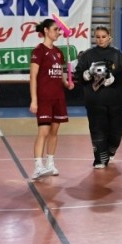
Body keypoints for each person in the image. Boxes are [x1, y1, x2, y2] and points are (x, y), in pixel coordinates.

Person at [75, 26, 122, 169]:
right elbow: (78, 75)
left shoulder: (118, 55)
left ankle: (111, 149)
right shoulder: (87, 55)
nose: (100, 39)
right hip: (94, 100)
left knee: (119, 126)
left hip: (114, 100)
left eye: (103, 36)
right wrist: (84, 75)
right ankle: (100, 158)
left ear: (109, 37)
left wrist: (114, 80)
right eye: (97, 37)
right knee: (97, 128)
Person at [30, 18, 73, 179]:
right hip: (44, 98)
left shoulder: (59, 52)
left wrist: (67, 83)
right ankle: (38, 167)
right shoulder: (38, 51)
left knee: (54, 131)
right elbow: (33, 77)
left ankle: (50, 163)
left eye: (59, 30)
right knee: (44, 131)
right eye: (55, 29)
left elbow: (59, 73)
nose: (58, 32)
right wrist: (34, 100)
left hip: (58, 97)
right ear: (46, 31)